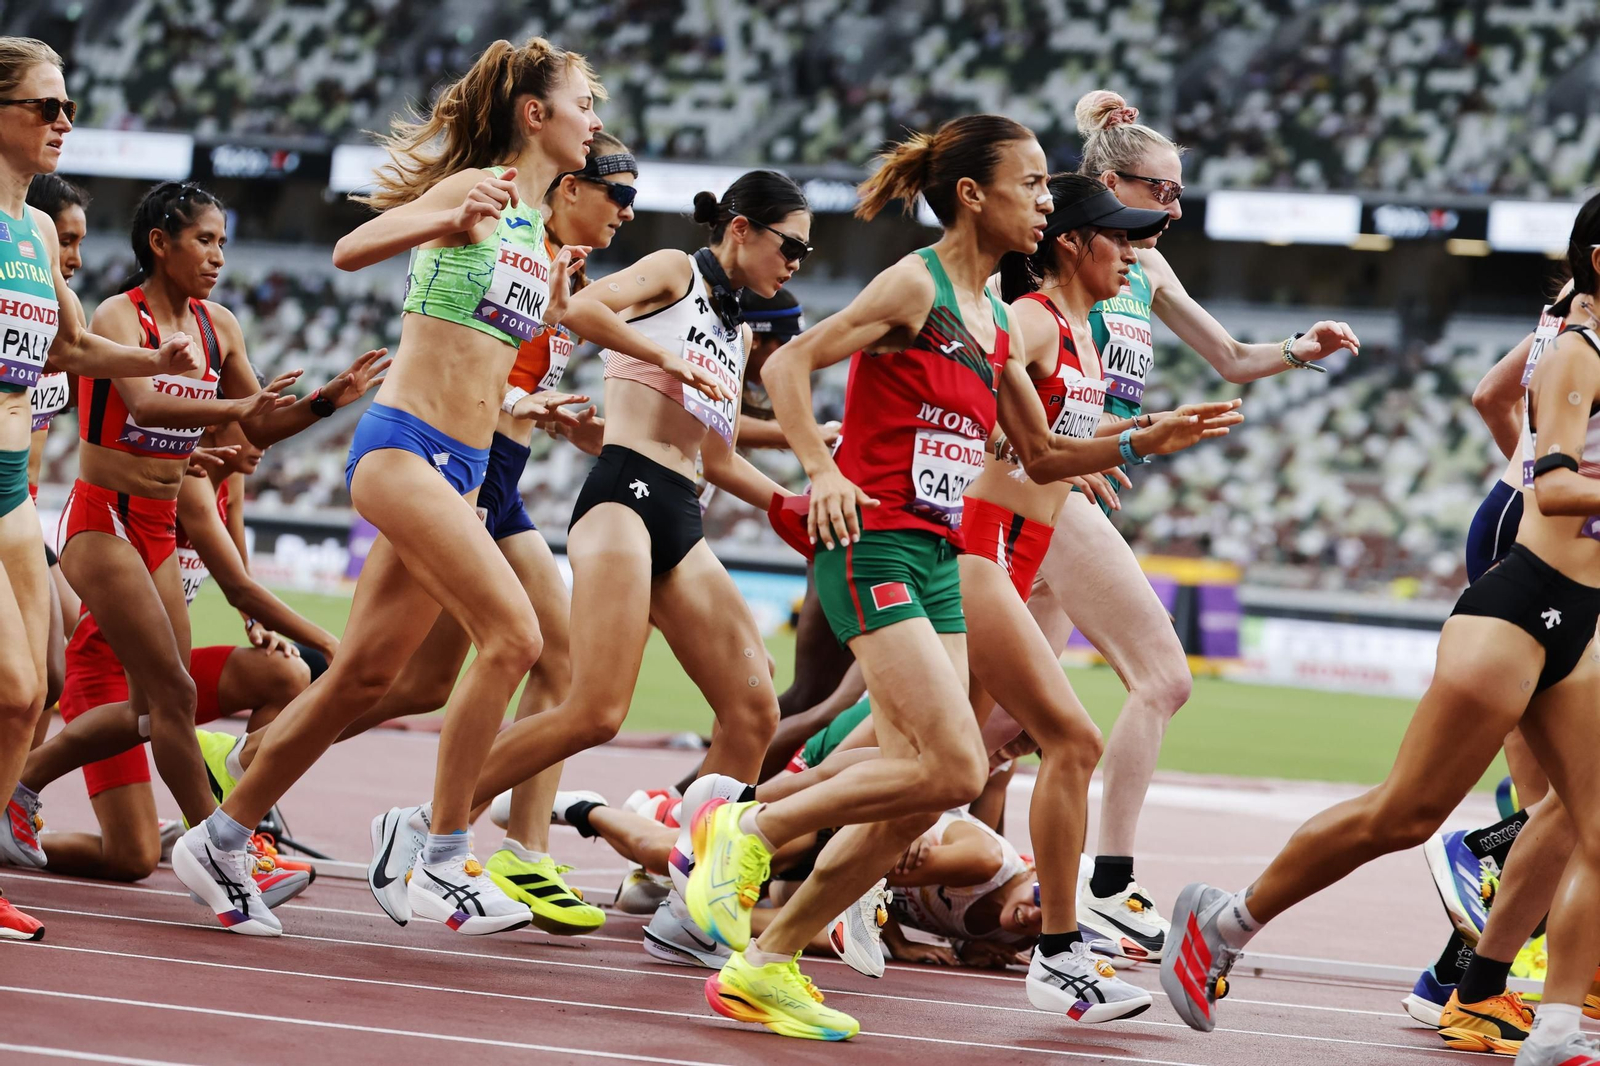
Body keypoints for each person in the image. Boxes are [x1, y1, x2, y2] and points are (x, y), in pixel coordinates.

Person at [684, 114, 1240, 1041]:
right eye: (1030, 185)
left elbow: (1041, 454)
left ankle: (767, 961)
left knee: (926, 790)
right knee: (945, 762)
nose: (1044, 202)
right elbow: (789, 362)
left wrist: (1150, 435)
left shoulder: (988, 319)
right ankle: (744, 832)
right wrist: (821, 472)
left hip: (944, 558)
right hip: (878, 547)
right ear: (974, 195)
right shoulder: (918, 283)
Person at [172, 36, 599, 938]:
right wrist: (440, 218)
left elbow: (484, 339)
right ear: (536, 115)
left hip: (463, 468)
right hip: (403, 448)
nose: (594, 123)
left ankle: (219, 837)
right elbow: (351, 249)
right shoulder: (475, 189)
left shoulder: (531, 221)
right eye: (583, 104)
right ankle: (438, 857)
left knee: (365, 677)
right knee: (516, 634)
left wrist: (554, 304)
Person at [1162, 193, 1600, 1066]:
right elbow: (1550, 487)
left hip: (1580, 619)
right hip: (1520, 608)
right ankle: (1228, 919)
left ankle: (1550, 1027)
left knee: (1594, 824)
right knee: (1402, 815)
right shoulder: (1578, 352)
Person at [1000, 90, 1358, 959]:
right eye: (1161, 191)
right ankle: (1109, 884)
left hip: (1067, 484)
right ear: (1107, 183)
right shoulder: (1050, 259)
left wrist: (1302, 349)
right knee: (1161, 679)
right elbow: (998, 357)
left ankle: (790, 833)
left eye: (1180, 194)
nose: (1175, 208)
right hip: (1034, 484)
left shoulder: (1145, 270)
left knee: (989, 727)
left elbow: (1231, 358)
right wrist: (1065, 455)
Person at [456, 169, 809, 838]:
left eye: (803, 256)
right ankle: (428, 820)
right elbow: (581, 311)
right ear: (741, 229)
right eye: (789, 246)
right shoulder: (676, 270)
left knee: (753, 707)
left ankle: (691, 881)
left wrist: (797, 508)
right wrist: (665, 359)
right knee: (595, 710)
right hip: (624, 494)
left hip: (681, 508)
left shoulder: (736, 330)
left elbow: (718, 457)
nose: (793, 264)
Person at [947, 170, 1218, 1016]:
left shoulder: (1079, 333)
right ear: (1072, 243)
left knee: (945, 752)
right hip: (981, 537)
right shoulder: (1026, 319)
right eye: (1123, 238)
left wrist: (1146, 431)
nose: (1135, 254)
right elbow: (1033, 452)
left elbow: (1067, 434)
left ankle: (752, 830)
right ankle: (1063, 950)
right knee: (1063, 738)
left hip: (1023, 545)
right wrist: (1139, 443)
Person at [355, 131, 639, 938]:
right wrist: (518, 410)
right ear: (568, 190)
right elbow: (477, 367)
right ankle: (265, 765)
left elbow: (508, 374)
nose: (626, 212)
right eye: (617, 194)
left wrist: (550, 417)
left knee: (544, 659)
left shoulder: (553, 268)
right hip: (460, 472)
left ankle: (516, 845)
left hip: (494, 481)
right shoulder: (512, 246)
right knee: (398, 677)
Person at [0, 36, 211, 943]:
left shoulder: (37, 230)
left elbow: (69, 349)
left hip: (14, 488)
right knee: (14, 686)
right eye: (45, 107)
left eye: (69, 108)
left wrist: (150, 356)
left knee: (35, 686)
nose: (62, 122)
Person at [7, 430, 327, 891]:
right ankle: (12, 819)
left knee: (284, 674)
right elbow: (236, 583)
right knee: (132, 857)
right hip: (104, 666)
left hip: (163, 663)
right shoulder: (189, 477)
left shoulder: (231, 479)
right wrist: (334, 648)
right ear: (216, 425)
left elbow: (240, 573)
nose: (266, 443)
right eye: (255, 427)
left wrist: (256, 623)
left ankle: (236, 832)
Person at [23, 172, 87, 721]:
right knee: (39, 676)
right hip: (7, 510)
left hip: (25, 514)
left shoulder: (62, 322)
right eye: (66, 241)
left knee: (56, 669)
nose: (76, 257)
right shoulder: (18, 309)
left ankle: (18, 797)